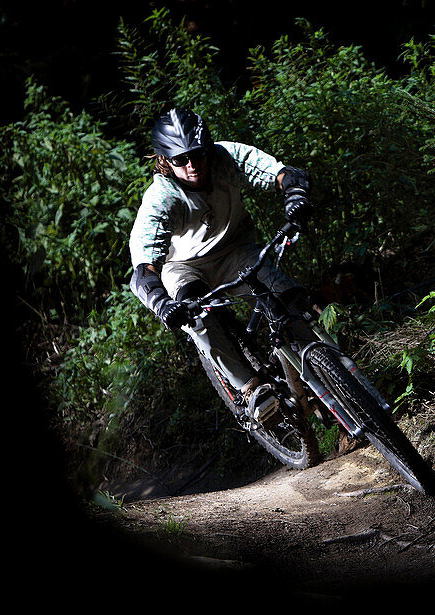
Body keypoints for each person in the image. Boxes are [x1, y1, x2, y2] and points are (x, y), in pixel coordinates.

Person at [128, 107, 312, 421]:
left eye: (197, 155)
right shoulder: (161, 198)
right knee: (197, 319)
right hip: (184, 267)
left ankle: (328, 378)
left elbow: (280, 174)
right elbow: (144, 269)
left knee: (292, 301)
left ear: (208, 148)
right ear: (164, 161)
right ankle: (250, 388)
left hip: (236, 249)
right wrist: (161, 303)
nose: (192, 165)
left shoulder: (225, 158)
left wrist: (294, 192)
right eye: (180, 160)